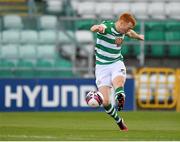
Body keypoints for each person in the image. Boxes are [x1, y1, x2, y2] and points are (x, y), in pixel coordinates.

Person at [90, 12, 144, 131]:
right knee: (105, 102)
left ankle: (120, 95)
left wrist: (138, 36)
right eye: (128, 26)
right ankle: (119, 120)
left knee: (118, 83)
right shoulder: (106, 28)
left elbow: (130, 33)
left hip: (116, 63)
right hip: (101, 67)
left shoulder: (124, 31)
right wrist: (96, 28)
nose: (129, 29)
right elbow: (94, 28)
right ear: (121, 23)